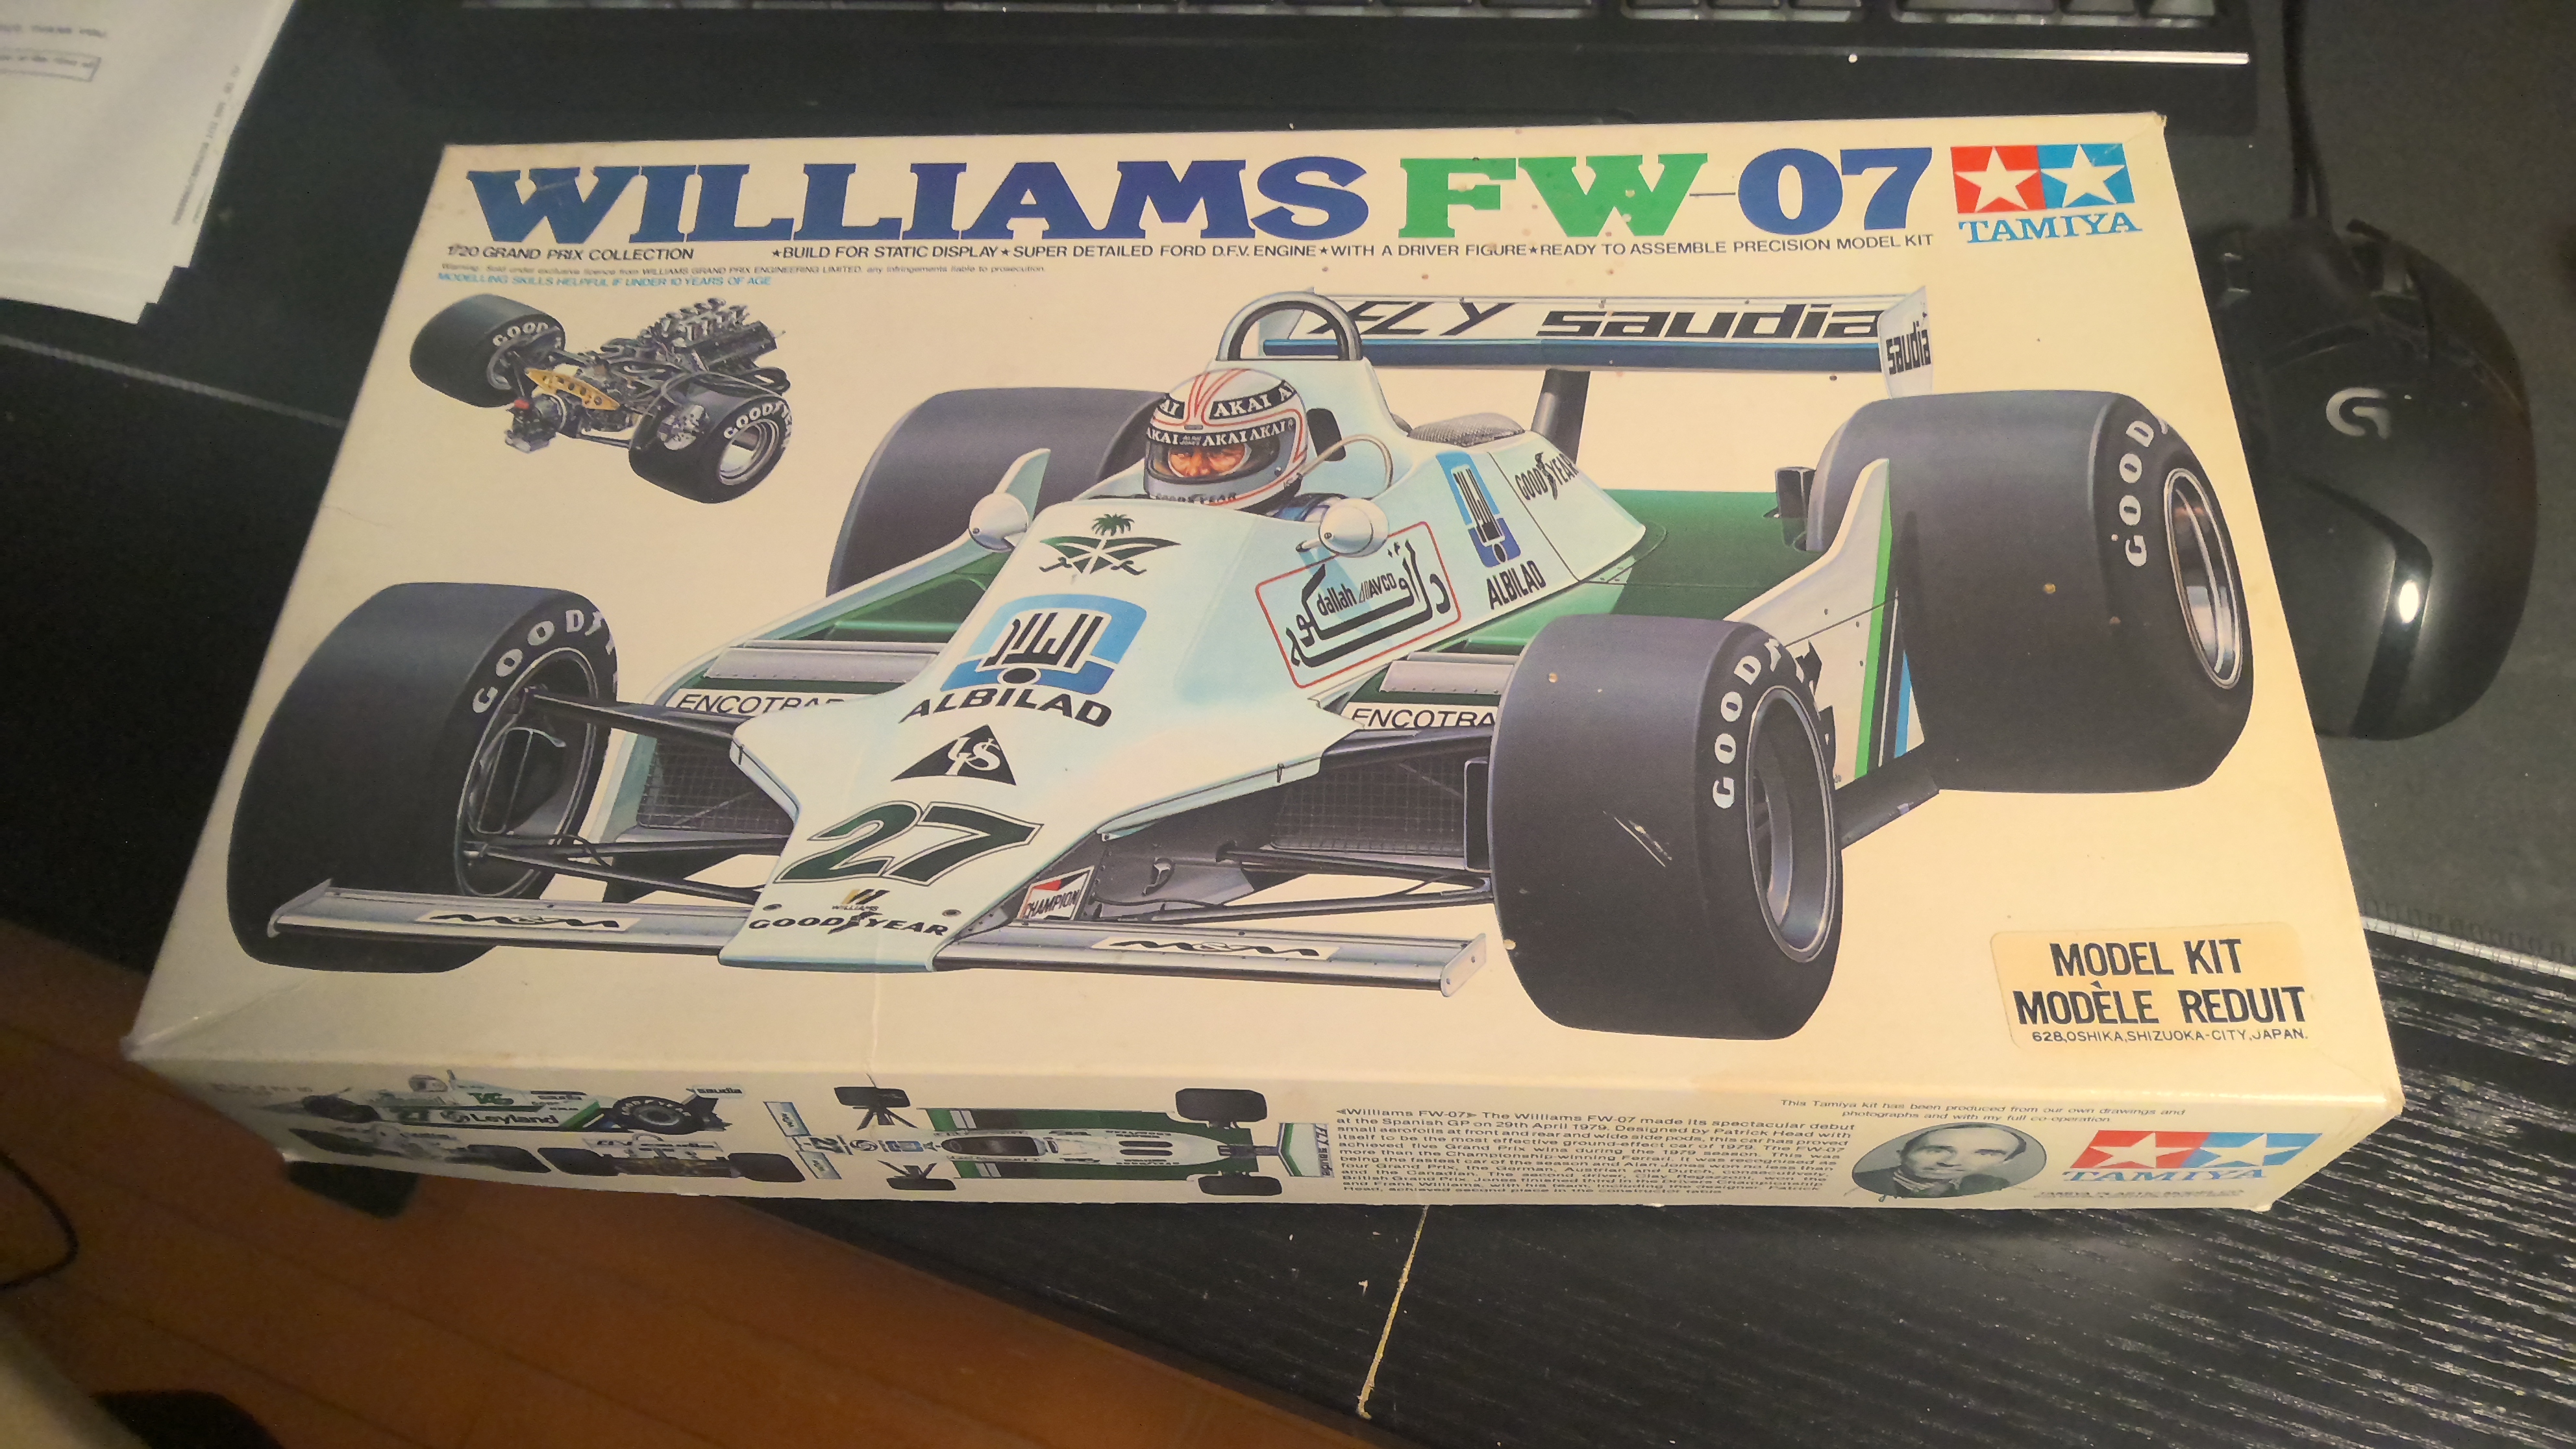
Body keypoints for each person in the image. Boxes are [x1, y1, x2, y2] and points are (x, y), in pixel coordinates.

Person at [1140, 367, 1343, 520]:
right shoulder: (1140, 516)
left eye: (1219, 451)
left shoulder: (1322, 520)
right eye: (1184, 452)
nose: (1195, 471)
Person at [1852, 1123, 2028, 1199]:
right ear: (1900, 1154)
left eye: (1984, 1154)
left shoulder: (1994, 1185)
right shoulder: (1864, 1182)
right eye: (1936, 1150)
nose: (1952, 1163)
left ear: (2005, 1161)